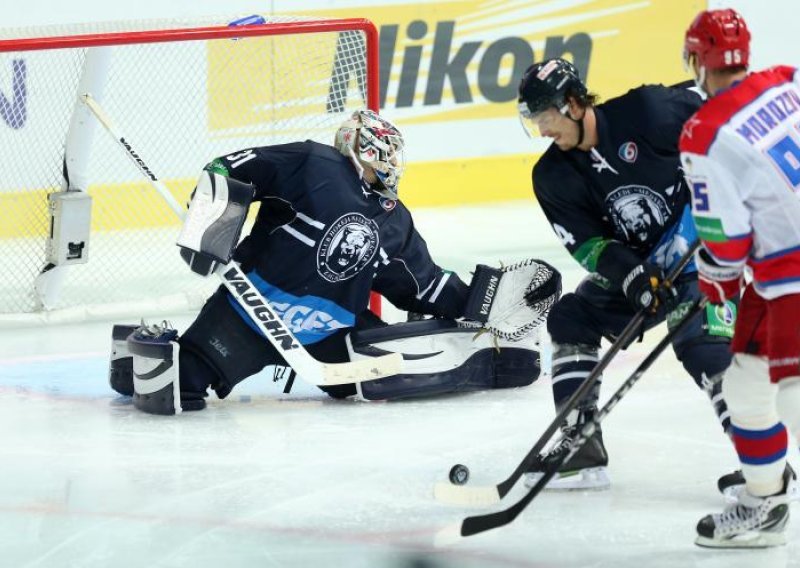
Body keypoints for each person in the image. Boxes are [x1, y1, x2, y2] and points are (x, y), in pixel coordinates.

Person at [108, 109, 561, 414]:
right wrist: (213, 221)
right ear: (361, 147)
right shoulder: (313, 162)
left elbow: (424, 286)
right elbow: (230, 166)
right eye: (384, 153)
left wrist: (485, 302)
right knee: (173, 391)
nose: (392, 163)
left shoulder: (393, 218)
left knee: (384, 379)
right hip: (249, 314)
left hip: (328, 333)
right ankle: (139, 348)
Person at [517, 58, 737, 491]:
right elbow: (589, 244)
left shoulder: (648, 111)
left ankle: (764, 470)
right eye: (535, 121)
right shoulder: (552, 176)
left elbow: (723, 115)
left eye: (546, 117)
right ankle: (580, 444)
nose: (542, 131)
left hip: (708, 245)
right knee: (571, 318)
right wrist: (633, 276)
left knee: (702, 343)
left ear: (575, 104)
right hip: (649, 266)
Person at [680, 8, 800, 548]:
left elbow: (726, 243)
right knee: (747, 387)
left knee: (795, 395)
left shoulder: (704, 131)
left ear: (699, 61)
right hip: (776, 279)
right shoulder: (786, 80)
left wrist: (715, 276)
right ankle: (765, 504)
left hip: (791, 276)